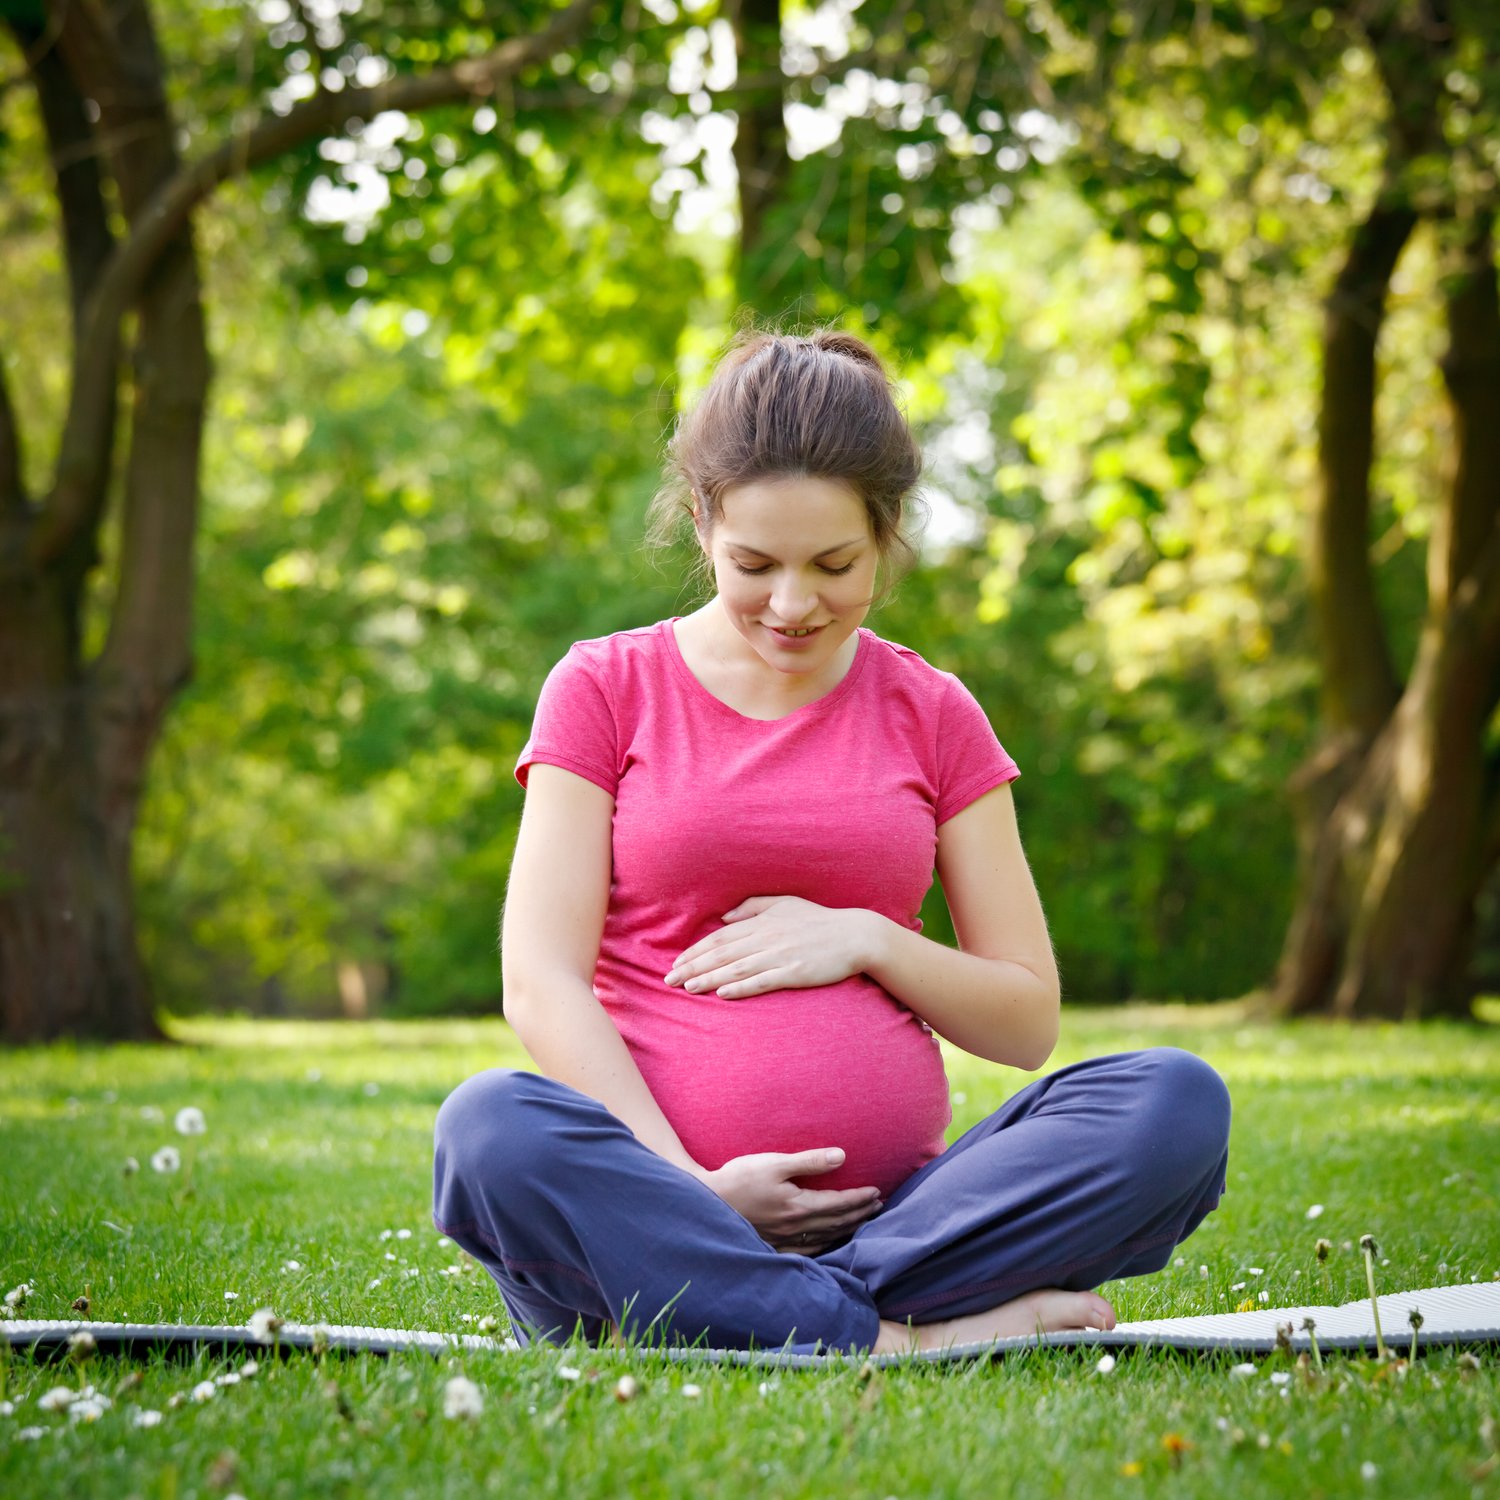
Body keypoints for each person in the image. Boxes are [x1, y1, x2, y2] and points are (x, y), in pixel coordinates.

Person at [432, 327, 1231, 1355]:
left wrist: (870, 939)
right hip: (663, 1203)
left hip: (905, 1225)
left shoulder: (935, 712)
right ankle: (904, 1337)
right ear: (702, 524)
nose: (793, 604)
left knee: (1172, 1103)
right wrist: (696, 1198)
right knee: (490, 1129)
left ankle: (724, 1313)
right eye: (754, 564)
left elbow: (1026, 1022)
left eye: (835, 564)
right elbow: (541, 983)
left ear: (888, 532)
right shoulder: (603, 689)